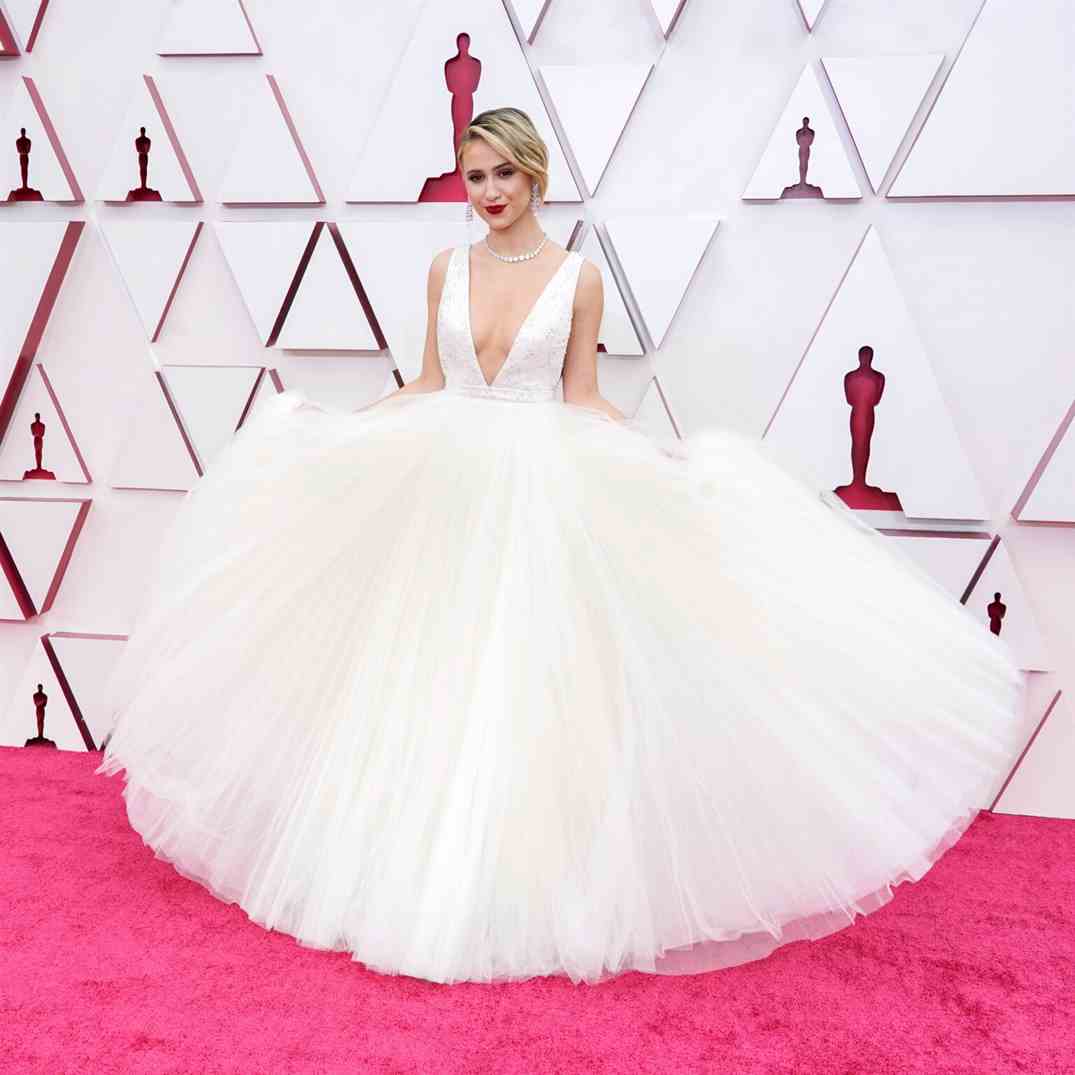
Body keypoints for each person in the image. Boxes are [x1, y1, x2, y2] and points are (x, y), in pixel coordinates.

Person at [96, 106, 1024, 986]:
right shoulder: (444, 268)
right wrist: (342, 428)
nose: (489, 191)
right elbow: (429, 380)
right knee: (424, 670)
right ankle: (407, 867)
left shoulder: (578, 277)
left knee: (521, 681)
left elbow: (580, 395)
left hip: (537, 487)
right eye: (474, 176)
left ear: (534, 175)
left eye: (503, 173)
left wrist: (658, 456)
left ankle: (510, 882)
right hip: (438, 479)